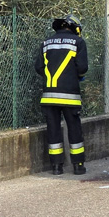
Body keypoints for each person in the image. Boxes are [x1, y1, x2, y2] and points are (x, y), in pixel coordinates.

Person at [35, 15, 89, 175]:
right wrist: (74, 76)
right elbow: (82, 68)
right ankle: (78, 166)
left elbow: (39, 67)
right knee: (74, 128)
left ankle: (56, 167)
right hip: (69, 95)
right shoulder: (78, 42)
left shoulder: (45, 43)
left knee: (53, 129)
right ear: (75, 28)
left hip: (49, 96)